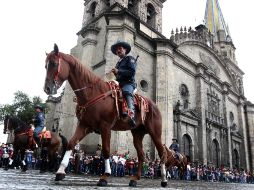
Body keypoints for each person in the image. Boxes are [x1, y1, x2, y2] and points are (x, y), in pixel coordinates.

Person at [111, 40, 137, 127]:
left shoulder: (130, 59)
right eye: (117, 50)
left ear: (125, 50)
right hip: (119, 83)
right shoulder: (118, 63)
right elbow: (119, 75)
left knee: (126, 92)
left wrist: (119, 71)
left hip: (128, 83)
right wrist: (116, 74)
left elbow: (131, 72)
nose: (118, 51)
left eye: (120, 48)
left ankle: (131, 115)